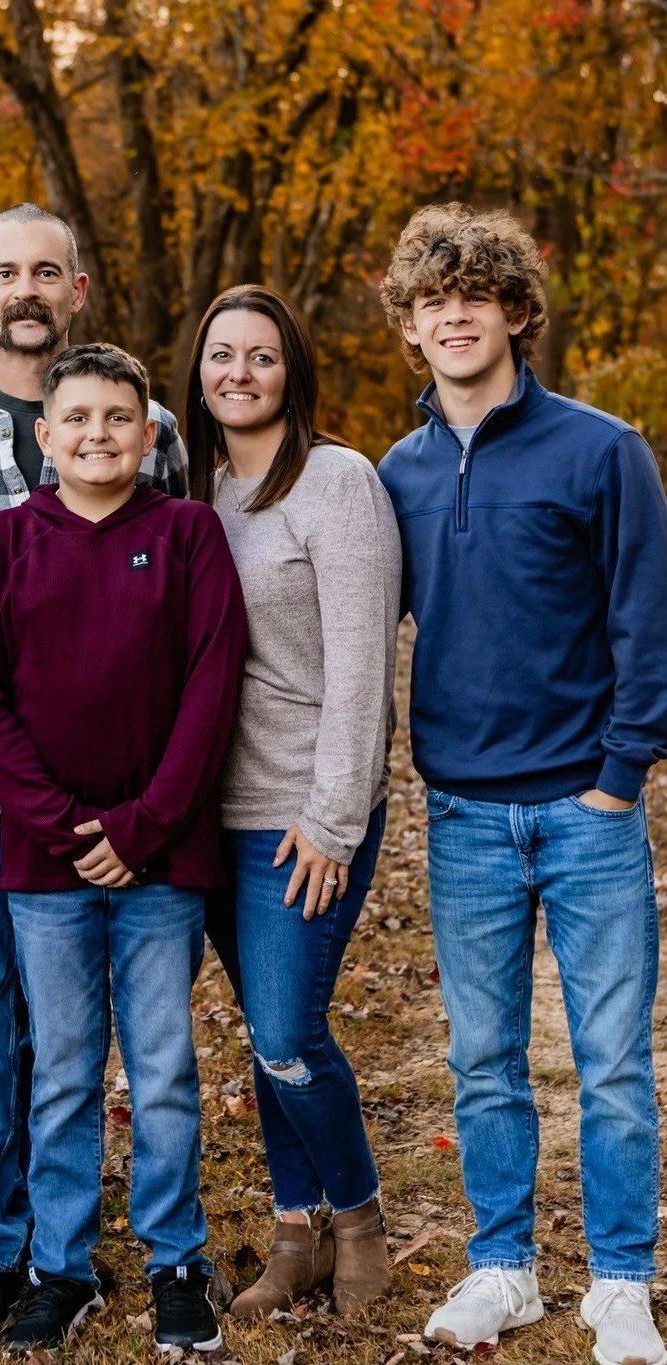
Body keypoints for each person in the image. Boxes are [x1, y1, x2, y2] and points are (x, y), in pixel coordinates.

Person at [0, 203, 187, 1337]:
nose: (25, 288)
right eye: (4, 272)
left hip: (109, 800)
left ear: (76, 291)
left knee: (83, 1032)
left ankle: (77, 1239)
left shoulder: (139, 427)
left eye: (45, 271)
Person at [378, 203, 667, 1365]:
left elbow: (646, 619)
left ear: (514, 310)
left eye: (477, 294)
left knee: (611, 1062)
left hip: (587, 812)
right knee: (484, 1059)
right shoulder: (390, 471)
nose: (455, 313)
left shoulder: (602, 449)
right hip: (463, 816)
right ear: (411, 322)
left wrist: (620, 775)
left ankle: (620, 1280)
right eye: (432, 298)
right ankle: (504, 1266)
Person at [0, 342, 247, 1353]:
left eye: (117, 418)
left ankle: (176, 1264)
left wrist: (139, 828)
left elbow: (213, 690)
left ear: (149, 432)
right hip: (46, 868)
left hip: (165, 862)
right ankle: (62, 1268)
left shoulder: (188, 534)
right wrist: (66, 828)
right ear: (45, 435)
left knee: (163, 1067)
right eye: (76, 418)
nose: (96, 435)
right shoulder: (2, 543)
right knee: (66, 1072)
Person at [188, 285, 402, 1318]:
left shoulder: (337, 482)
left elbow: (365, 669)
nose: (239, 372)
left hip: (303, 813)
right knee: (265, 1033)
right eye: (221, 354)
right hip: (206, 816)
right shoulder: (193, 488)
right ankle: (292, 1234)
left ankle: (356, 1222)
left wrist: (334, 819)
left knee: (285, 1032)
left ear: (292, 371)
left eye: (261, 356)